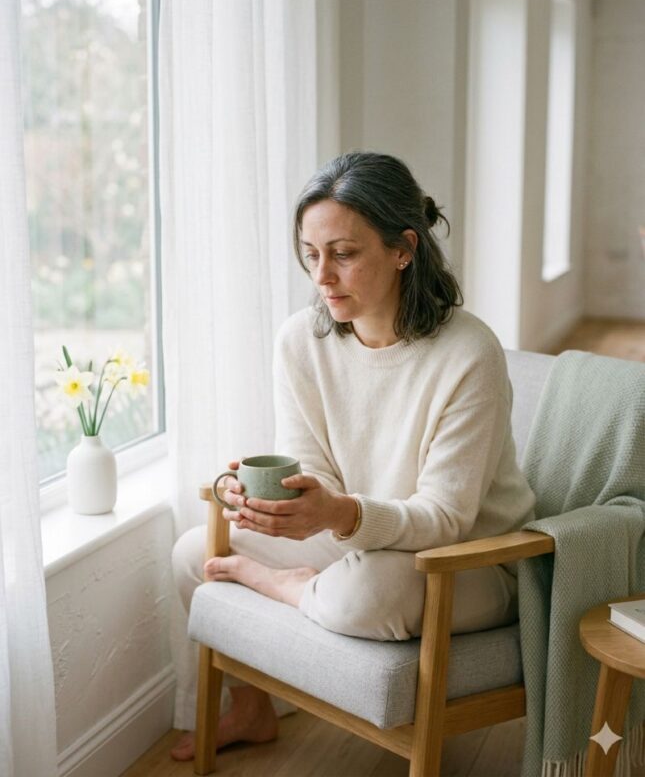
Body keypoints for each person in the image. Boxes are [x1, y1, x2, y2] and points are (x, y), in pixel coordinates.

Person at [170, 151, 536, 761]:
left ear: (403, 249)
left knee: (366, 594)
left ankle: (292, 588)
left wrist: (334, 521)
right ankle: (253, 711)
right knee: (193, 552)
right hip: (358, 538)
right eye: (311, 255)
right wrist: (265, 501)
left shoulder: (469, 352)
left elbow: (447, 518)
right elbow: (313, 473)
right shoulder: (300, 340)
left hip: (465, 561)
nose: (322, 276)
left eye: (343, 254)